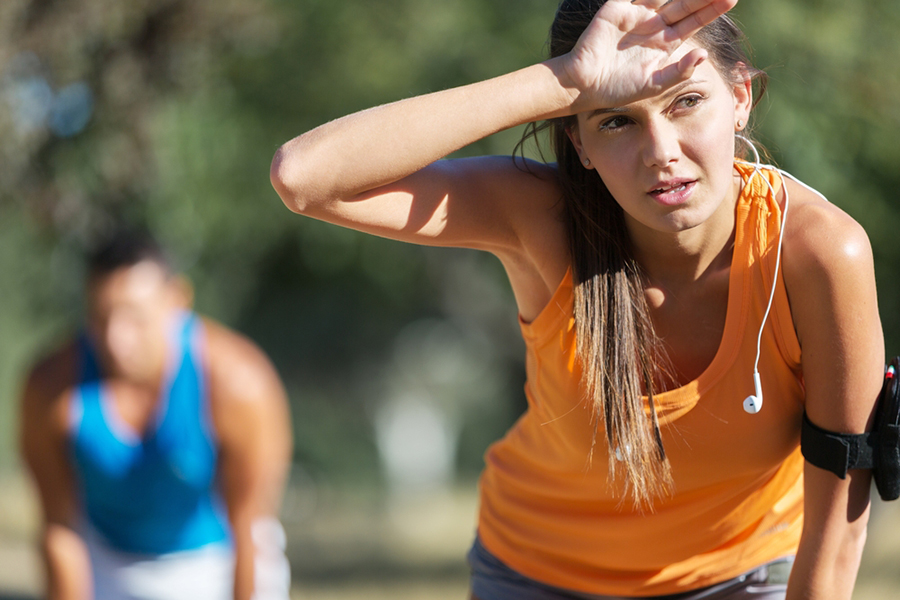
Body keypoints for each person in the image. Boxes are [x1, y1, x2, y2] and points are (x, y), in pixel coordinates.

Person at [269, 0, 884, 598]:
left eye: (688, 102)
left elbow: (839, 514)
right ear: (580, 142)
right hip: (536, 575)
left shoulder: (818, 255)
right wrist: (565, 80)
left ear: (741, 99)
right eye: (615, 120)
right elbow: (304, 176)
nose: (662, 152)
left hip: (735, 579)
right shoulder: (540, 219)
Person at [19, 229, 293, 600]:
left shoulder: (239, 383)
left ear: (177, 300)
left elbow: (249, 526)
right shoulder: (50, 387)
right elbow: (59, 530)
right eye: (101, 318)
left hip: (212, 562)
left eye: (135, 318)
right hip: (106, 563)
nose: (116, 339)